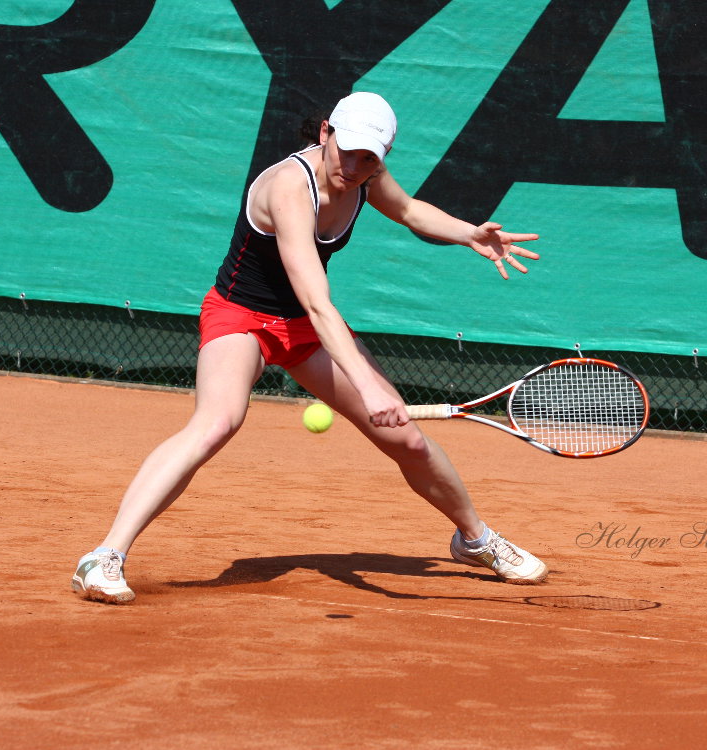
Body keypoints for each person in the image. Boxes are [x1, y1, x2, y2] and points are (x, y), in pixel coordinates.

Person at [72, 92, 548, 604]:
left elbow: (408, 209)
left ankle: (475, 540)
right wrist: (370, 388)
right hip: (242, 317)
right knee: (217, 422)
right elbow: (319, 302)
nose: (356, 164)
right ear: (325, 133)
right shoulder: (288, 187)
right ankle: (104, 557)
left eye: (371, 157)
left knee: (408, 442)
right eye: (348, 149)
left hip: (302, 326)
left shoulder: (363, 174)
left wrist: (468, 234)